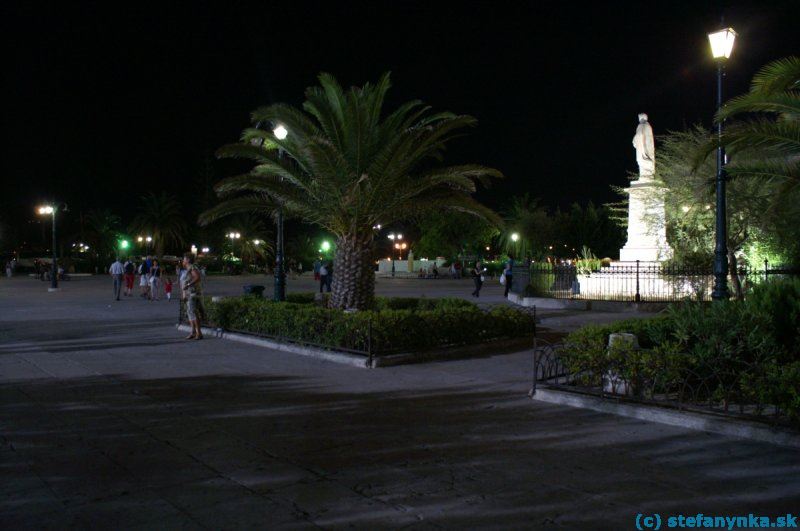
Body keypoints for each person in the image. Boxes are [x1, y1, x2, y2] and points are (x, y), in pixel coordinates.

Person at [182, 253, 204, 340]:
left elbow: (197, 277)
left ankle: (199, 333)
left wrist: (188, 284)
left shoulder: (192, 268)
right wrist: (184, 293)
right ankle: (193, 332)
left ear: (187, 260)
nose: (183, 261)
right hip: (188, 294)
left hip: (193, 293)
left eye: (184, 259)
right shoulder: (187, 269)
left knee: (193, 313)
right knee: (190, 313)